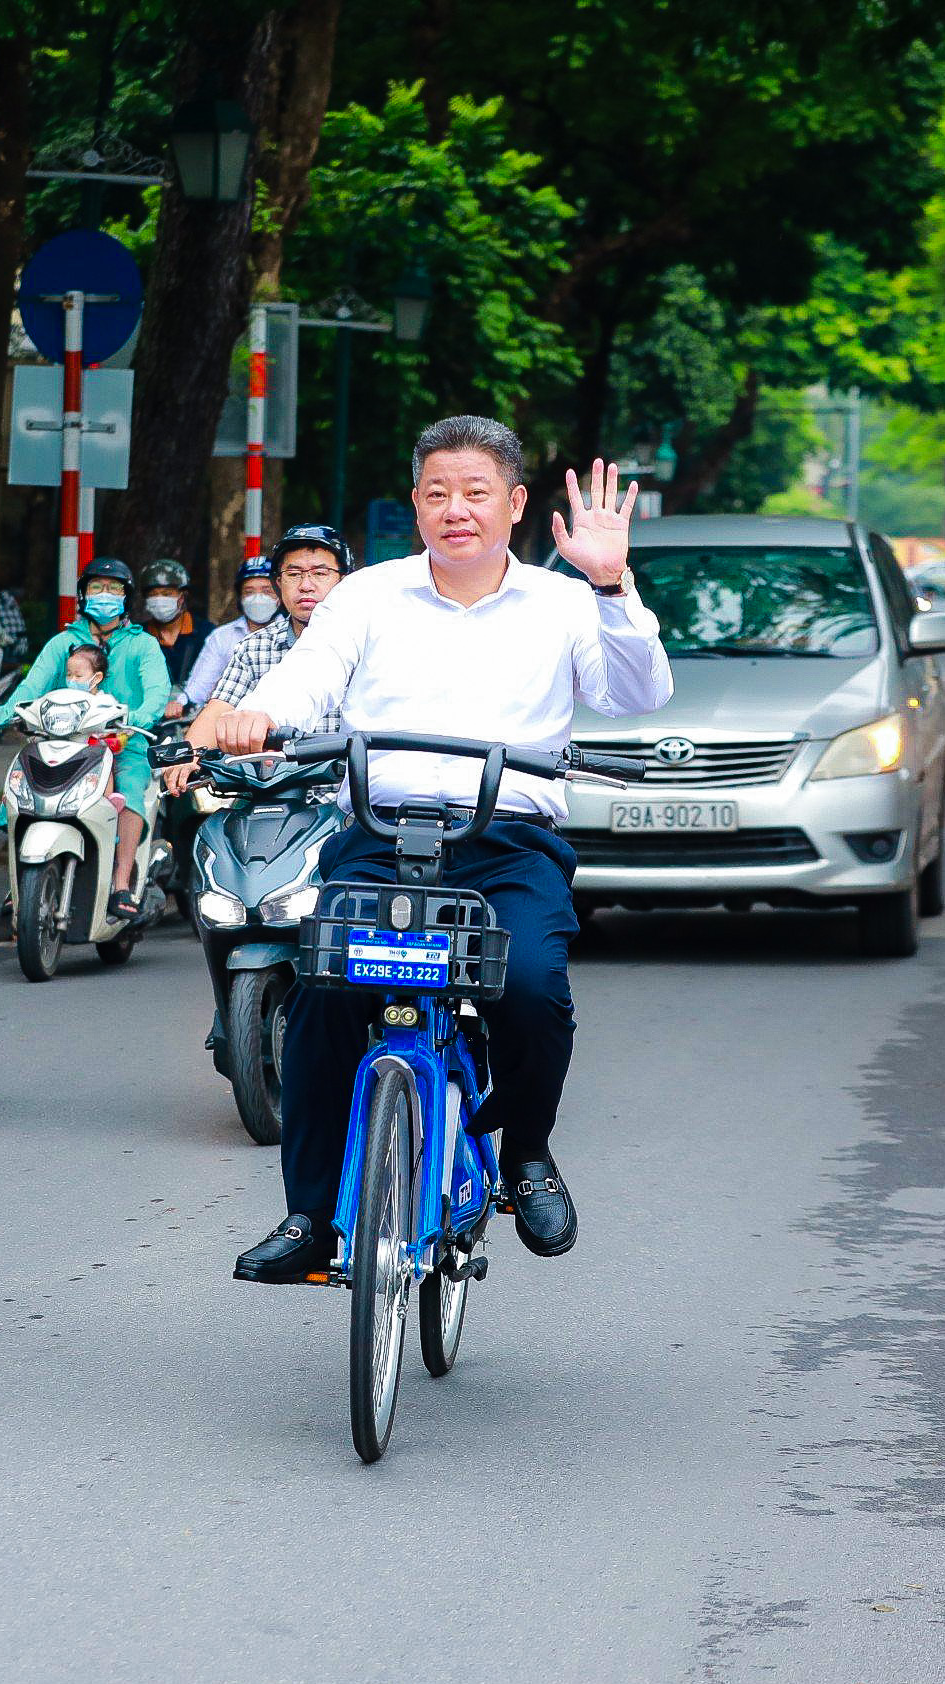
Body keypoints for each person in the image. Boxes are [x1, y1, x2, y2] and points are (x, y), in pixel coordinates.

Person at [214, 416, 673, 1281]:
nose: (456, 509)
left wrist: (614, 586)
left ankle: (526, 1154)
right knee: (321, 992)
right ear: (415, 503)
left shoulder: (567, 600)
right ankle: (310, 1214)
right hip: (380, 838)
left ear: (516, 503)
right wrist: (256, 716)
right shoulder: (368, 595)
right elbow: (308, 676)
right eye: (437, 492)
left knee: (533, 988)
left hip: (509, 844)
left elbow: (637, 693)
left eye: (476, 492)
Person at [0, 559, 171, 921]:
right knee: (20, 788)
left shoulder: (143, 645)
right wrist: (5, 711)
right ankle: (19, 885)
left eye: (114, 589)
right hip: (65, 741)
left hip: (124, 744)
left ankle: (121, 884)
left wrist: (140, 716)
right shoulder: (64, 642)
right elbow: (32, 685)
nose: (104, 596)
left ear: (126, 597)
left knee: (132, 790)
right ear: (83, 594)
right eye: (96, 588)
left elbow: (157, 691)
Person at [160, 525, 354, 797]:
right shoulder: (254, 647)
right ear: (279, 583)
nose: (306, 585)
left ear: (344, 581)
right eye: (293, 574)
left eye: (320, 573)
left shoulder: (366, 644)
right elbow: (218, 710)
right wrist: (188, 756)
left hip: (347, 801)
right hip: (267, 794)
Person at [178, 555, 280, 717]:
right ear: (239, 597)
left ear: (279, 594)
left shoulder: (294, 631)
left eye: (267, 591)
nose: (258, 598)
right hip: (230, 721)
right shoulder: (222, 637)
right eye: (249, 591)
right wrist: (180, 703)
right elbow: (199, 687)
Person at [139, 560, 204, 701]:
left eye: (167, 594)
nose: (159, 599)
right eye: (153, 594)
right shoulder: (138, 635)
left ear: (183, 596)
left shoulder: (206, 633)